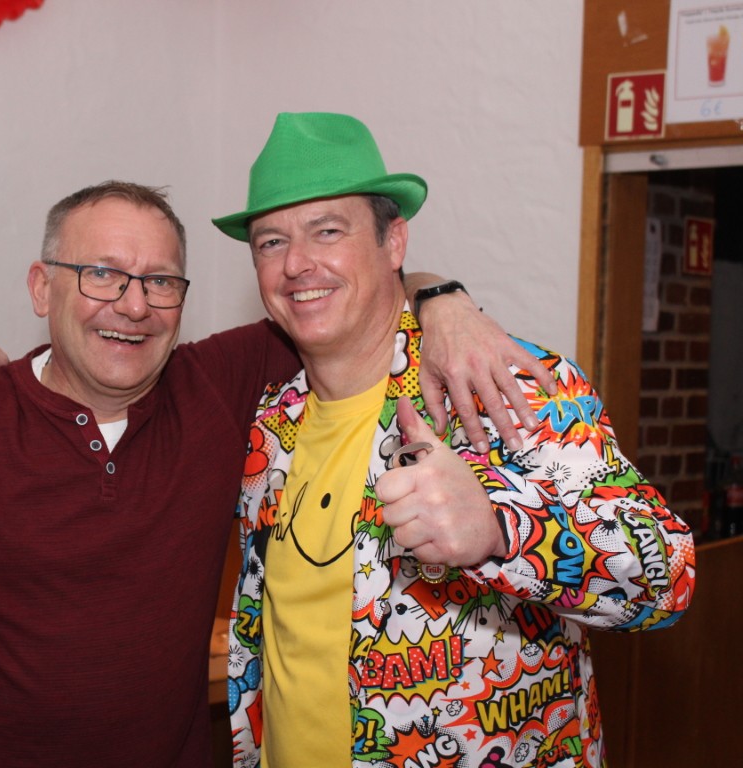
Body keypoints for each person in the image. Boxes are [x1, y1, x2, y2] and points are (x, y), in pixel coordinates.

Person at [0, 181, 546, 767]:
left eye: (161, 282)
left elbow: (343, 291)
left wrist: (444, 300)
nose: (133, 304)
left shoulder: (222, 384)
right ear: (42, 288)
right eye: (101, 275)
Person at [202, 112, 695, 768]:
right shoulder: (270, 425)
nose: (296, 264)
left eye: (328, 230)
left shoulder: (504, 387)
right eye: (271, 242)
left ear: (394, 241)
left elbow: (669, 578)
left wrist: (500, 532)